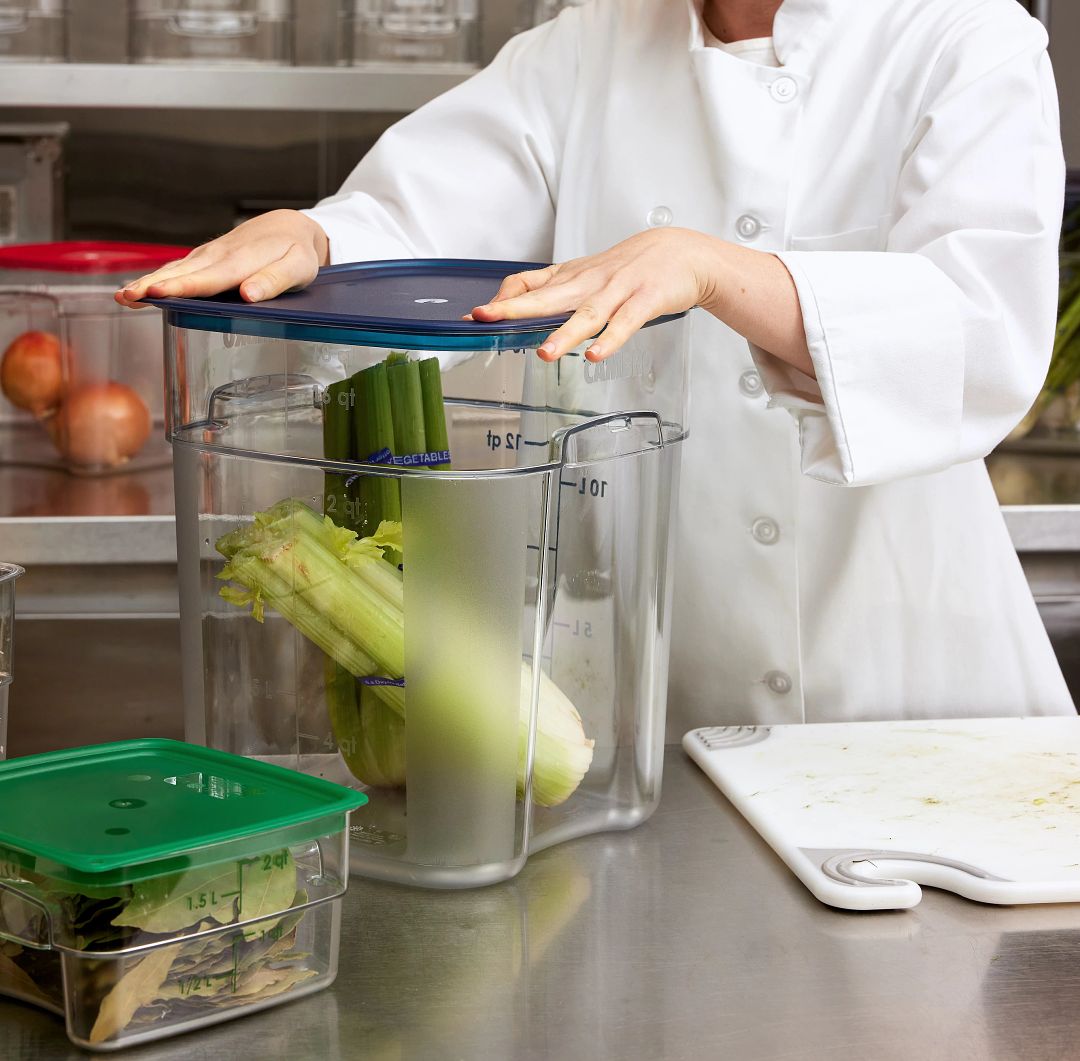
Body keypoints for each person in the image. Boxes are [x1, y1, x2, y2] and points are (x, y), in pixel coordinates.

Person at [118, 0, 1076, 736]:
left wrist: (720, 269)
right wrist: (317, 233)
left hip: (909, 689)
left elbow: (983, 337)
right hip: (659, 683)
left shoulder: (966, 35)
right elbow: (420, 218)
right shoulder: (592, 44)